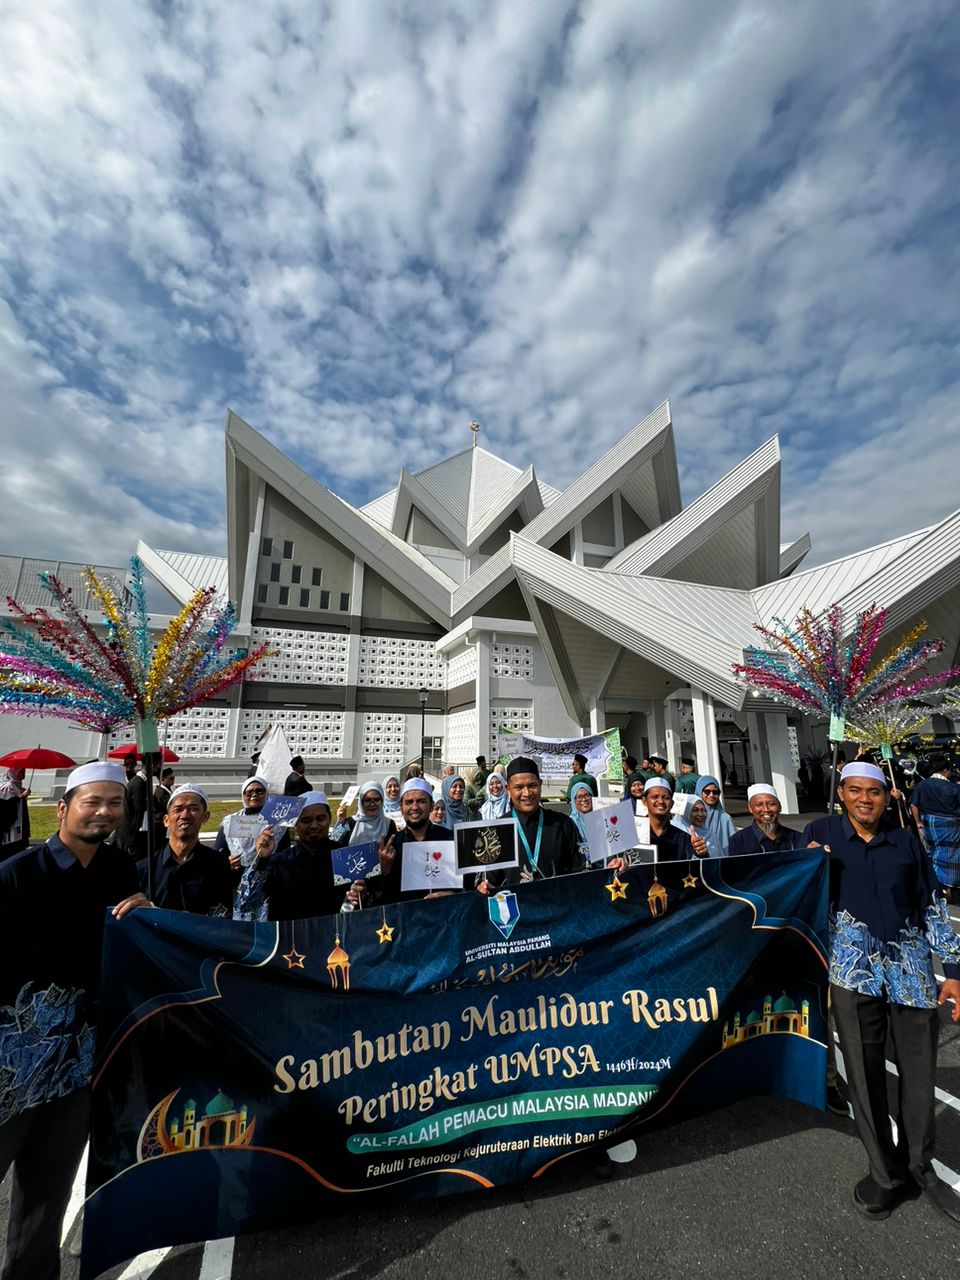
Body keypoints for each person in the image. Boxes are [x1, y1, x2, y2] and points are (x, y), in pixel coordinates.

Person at [0, 761, 150, 1280]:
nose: (106, 813)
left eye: (115, 804)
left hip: (78, 1063)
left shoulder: (119, 871)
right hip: (12, 1063)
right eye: (94, 802)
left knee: (47, 1192)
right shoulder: (16, 874)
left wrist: (145, 917)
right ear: (63, 808)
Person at [803, 762, 960, 1222]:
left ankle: (919, 1164)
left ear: (887, 797)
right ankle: (884, 1172)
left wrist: (951, 970)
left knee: (918, 1074)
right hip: (853, 977)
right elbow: (787, 889)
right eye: (855, 791)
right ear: (842, 794)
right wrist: (807, 862)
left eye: (874, 792)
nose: (865, 799)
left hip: (910, 974)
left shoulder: (906, 842)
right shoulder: (818, 833)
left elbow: (932, 905)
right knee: (865, 1075)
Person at [241, 791, 348, 921]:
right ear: (295, 825)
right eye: (306, 820)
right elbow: (252, 903)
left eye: (320, 819)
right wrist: (262, 859)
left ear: (329, 819)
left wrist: (359, 894)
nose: (314, 825)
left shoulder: (344, 856)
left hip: (334, 935)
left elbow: (356, 902)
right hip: (291, 937)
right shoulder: (280, 861)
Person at [476, 757, 582, 888]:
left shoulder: (563, 824)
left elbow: (580, 872)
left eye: (532, 786)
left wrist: (611, 872)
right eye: (518, 787)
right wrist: (484, 888)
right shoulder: (496, 831)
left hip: (559, 905)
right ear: (508, 789)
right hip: (516, 907)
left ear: (540, 784)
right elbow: (492, 882)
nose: (527, 793)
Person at [350, 777, 454, 905]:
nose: (414, 807)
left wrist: (452, 895)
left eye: (421, 801)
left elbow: (467, 886)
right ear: (401, 807)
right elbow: (376, 899)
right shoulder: (388, 847)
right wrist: (382, 873)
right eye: (409, 802)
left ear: (431, 805)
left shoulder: (450, 840)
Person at [145, 784, 233, 916]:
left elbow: (222, 916)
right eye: (178, 809)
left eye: (193, 809)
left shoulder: (218, 864)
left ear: (205, 816)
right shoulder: (146, 869)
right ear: (166, 820)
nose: (185, 815)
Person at [910, 756, 960, 904]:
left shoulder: (923, 785)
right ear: (945, 770)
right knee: (952, 857)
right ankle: (952, 887)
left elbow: (914, 805)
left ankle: (935, 885)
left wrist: (918, 822)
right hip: (951, 826)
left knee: (932, 852)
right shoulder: (954, 788)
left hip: (929, 823)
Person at [728, 784, 805, 855]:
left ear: (780, 806)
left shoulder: (798, 838)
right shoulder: (738, 841)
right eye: (759, 804)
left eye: (771, 804)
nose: (766, 809)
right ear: (750, 808)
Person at [639, 778, 704, 860]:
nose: (660, 801)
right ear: (645, 801)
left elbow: (695, 869)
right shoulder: (633, 834)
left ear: (672, 803)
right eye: (655, 797)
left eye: (666, 798)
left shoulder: (684, 838)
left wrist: (701, 854)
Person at [334, 780, 397, 847]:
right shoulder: (350, 823)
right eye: (368, 800)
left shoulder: (389, 824)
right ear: (361, 802)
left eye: (376, 800)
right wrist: (341, 823)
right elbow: (335, 844)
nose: (372, 804)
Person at [116, 752, 149, 857]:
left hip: (131, 820)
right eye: (127, 764)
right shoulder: (120, 778)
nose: (129, 767)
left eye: (131, 764)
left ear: (135, 764)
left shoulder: (137, 779)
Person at [694, 775, 736, 856]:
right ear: (699, 792)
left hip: (721, 863)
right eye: (707, 791)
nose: (712, 795)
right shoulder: (691, 816)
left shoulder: (725, 818)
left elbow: (734, 846)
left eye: (716, 792)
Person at [0, 767, 31, 860]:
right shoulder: (7, 787)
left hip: (19, 826)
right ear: (14, 773)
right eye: (21, 772)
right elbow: (4, 805)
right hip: (9, 828)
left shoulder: (17, 786)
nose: (23, 774)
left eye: (24, 771)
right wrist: (21, 796)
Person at [568, 779, 594, 863]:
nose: (584, 799)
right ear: (573, 800)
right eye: (579, 797)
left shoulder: (601, 817)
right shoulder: (570, 823)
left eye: (587, 795)